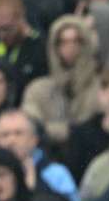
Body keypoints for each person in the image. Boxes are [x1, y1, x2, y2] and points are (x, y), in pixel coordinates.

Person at [21, 14, 100, 147]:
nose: (70, 47)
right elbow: (31, 125)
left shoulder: (101, 87)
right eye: (63, 42)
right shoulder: (38, 89)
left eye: (76, 41)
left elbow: (96, 128)